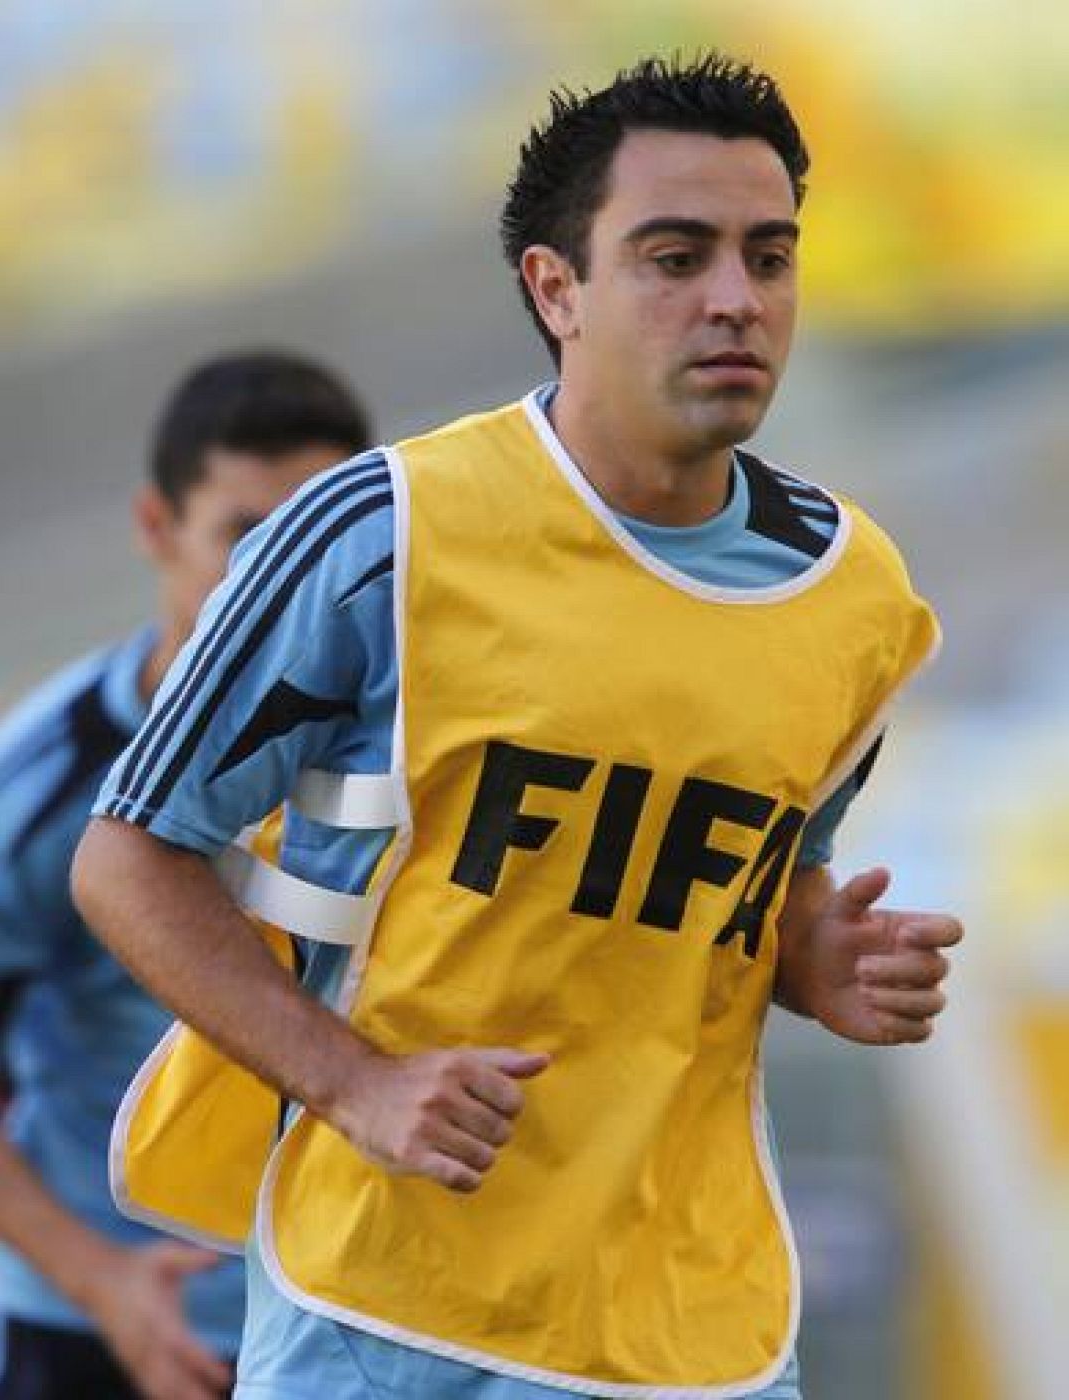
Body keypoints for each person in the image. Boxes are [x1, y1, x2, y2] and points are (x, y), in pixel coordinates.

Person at [73, 55, 962, 1400]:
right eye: (675, 257)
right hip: (384, 1318)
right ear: (557, 290)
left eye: (768, 256)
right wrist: (355, 1084)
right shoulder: (380, 532)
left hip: (697, 1336)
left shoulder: (854, 593)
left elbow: (755, 886)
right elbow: (129, 853)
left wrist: (815, 956)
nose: (735, 298)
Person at [0, 350, 373, 1400]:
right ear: (156, 527)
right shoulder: (44, 780)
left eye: (315, 539)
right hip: (107, 1326)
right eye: (246, 539)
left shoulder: (418, 743)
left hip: (351, 1322)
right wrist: (105, 1283)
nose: (284, 582)